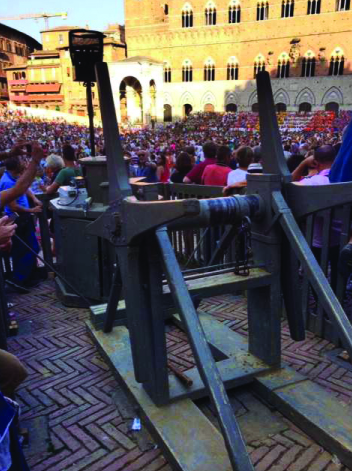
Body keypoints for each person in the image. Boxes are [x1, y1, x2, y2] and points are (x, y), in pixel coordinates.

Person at [293, 145, 339, 291]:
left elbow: (286, 187)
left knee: (316, 273)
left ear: (316, 163)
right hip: (344, 241)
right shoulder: (345, 178)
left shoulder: (313, 182)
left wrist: (303, 164)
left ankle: (321, 301)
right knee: (339, 273)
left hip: (319, 242)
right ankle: (338, 296)